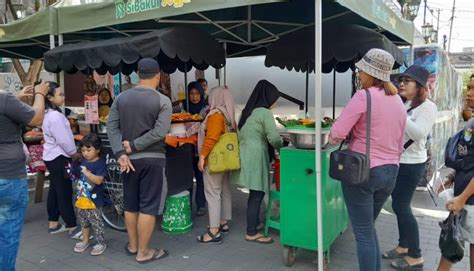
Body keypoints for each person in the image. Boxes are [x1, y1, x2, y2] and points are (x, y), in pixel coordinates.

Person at [329, 48, 407, 271]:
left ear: (371, 73)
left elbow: (337, 133)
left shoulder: (364, 96)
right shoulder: (398, 102)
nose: (359, 73)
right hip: (391, 172)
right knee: (368, 228)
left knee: (362, 234)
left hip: (363, 171)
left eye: (362, 70)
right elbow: (400, 141)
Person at [107, 58, 171, 263]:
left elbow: (111, 127)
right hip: (153, 159)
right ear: (158, 75)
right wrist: (134, 145)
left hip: (128, 162)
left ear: (137, 75)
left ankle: (133, 245)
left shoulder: (121, 98)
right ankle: (144, 252)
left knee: (131, 204)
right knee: (148, 206)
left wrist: (121, 153)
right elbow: (160, 132)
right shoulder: (162, 101)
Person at [382, 65, 437, 270]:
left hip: (412, 165)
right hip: (399, 161)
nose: (402, 84)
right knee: (398, 205)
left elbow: (419, 133)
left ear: (420, 86)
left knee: (402, 207)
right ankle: (403, 245)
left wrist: (398, 112)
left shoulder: (428, 107)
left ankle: (416, 255)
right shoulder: (405, 104)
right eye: (402, 80)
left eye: (408, 81)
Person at [0, 82, 49, 270]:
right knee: (7, 234)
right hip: (8, 175)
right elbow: (36, 118)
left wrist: (16, 99)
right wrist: (40, 94)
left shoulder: (6, 99)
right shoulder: (3, 99)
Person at [232, 80, 283, 244]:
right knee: (257, 194)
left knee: (254, 192)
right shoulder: (264, 112)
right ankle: (251, 232)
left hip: (246, 153)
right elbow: (273, 137)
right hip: (256, 155)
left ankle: (254, 224)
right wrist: (283, 145)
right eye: (274, 98)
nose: (275, 102)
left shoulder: (248, 111)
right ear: (267, 97)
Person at [42, 81, 82, 239]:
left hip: (52, 157)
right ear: (50, 97)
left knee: (54, 189)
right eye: (60, 94)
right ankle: (72, 226)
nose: (63, 96)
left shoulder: (49, 114)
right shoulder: (55, 117)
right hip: (59, 157)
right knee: (64, 191)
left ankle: (53, 223)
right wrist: (74, 153)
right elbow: (64, 140)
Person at [196, 86, 236, 244]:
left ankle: (213, 232)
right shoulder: (228, 115)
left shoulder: (215, 115)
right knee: (225, 190)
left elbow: (211, 138)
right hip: (227, 160)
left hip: (214, 161)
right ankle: (223, 222)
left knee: (213, 194)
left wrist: (202, 157)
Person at [436, 119, 474, 271]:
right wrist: (451, 176)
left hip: (468, 201)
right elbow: (469, 158)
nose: (470, 94)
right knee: (451, 243)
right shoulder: (471, 121)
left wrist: (462, 198)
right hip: (463, 199)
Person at [171, 81, 209, 215]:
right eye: (191, 94)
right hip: (184, 148)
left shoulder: (206, 108)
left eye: (197, 93)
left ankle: (200, 205)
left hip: (199, 149)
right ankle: (186, 205)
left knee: (200, 178)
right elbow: (168, 111)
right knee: (186, 178)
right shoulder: (182, 105)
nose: (194, 97)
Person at [73, 134, 107, 256]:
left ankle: (100, 242)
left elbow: (98, 180)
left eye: (88, 150)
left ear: (97, 149)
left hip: (94, 201)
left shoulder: (100, 163)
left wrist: (87, 173)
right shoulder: (82, 161)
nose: (85, 153)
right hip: (81, 198)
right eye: (83, 150)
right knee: (83, 221)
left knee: (96, 222)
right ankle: (85, 240)